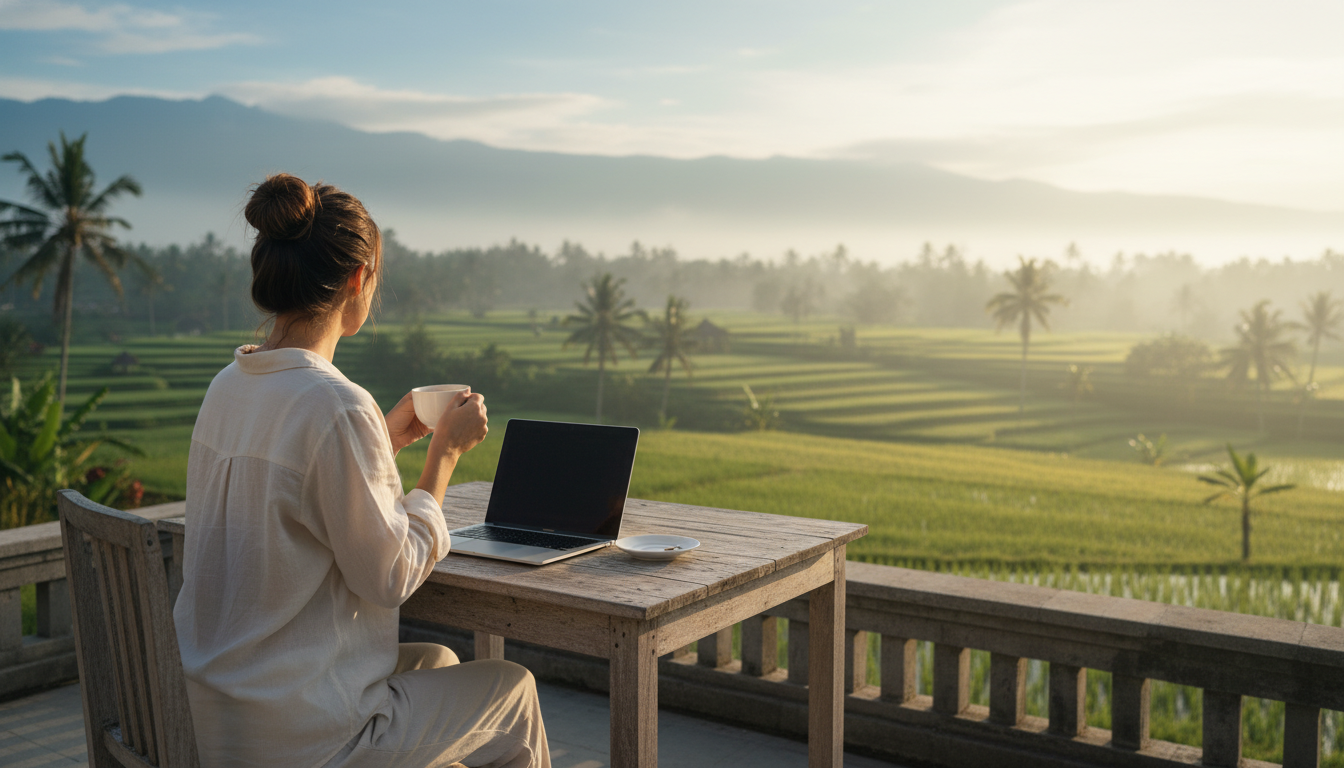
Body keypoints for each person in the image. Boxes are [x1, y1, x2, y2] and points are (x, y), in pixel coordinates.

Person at [175, 173, 550, 768]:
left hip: (222, 712)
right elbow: (390, 576)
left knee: (439, 665)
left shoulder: (231, 384)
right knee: (513, 694)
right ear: (358, 279)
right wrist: (443, 459)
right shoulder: (335, 403)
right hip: (300, 737)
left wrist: (388, 438)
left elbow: (302, 490)